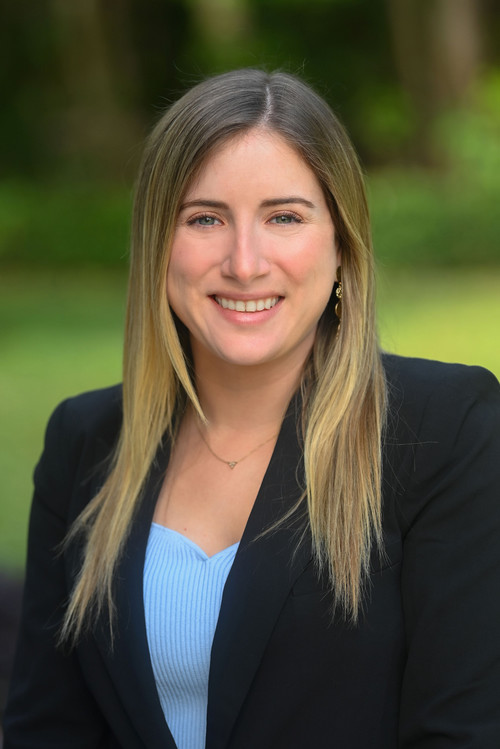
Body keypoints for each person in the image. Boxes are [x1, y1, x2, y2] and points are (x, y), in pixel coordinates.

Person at [3, 69, 500, 749]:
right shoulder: (85, 442)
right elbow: (45, 728)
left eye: (284, 217)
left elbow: (464, 731)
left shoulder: (444, 429)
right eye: (205, 218)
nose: (244, 262)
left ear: (341, 245)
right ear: (157, 244)